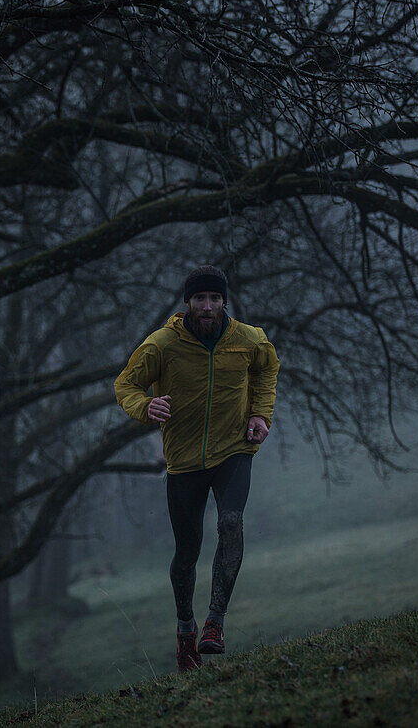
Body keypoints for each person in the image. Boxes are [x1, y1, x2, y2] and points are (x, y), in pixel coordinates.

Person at [114, 265, 280, 672]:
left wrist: (260, 415)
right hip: (184, 461)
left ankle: (215, 624)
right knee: (187, 553)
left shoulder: (249, 339)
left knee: (231, 522)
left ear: (225, 301)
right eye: (200, 298)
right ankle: (186, 631)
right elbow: (125, 386)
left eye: (215, 298)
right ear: (187, 302)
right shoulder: (162, 345)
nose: (208, 306)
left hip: (234, 451)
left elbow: (267, 369)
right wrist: (144, 406)